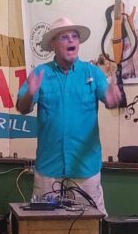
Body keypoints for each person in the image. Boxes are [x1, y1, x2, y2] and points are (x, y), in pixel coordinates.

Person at [17, 16, 121, 215]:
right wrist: (30, 93)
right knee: (44, 227)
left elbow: (110, 101)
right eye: (64, 37)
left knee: (92, 226)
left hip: (86, 169)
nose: (71, 40)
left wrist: (113, 97)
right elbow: (23, 108)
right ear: (53, 44)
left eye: (75, 36)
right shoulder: (40, 73)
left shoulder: (92, 72)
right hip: (48, 169)